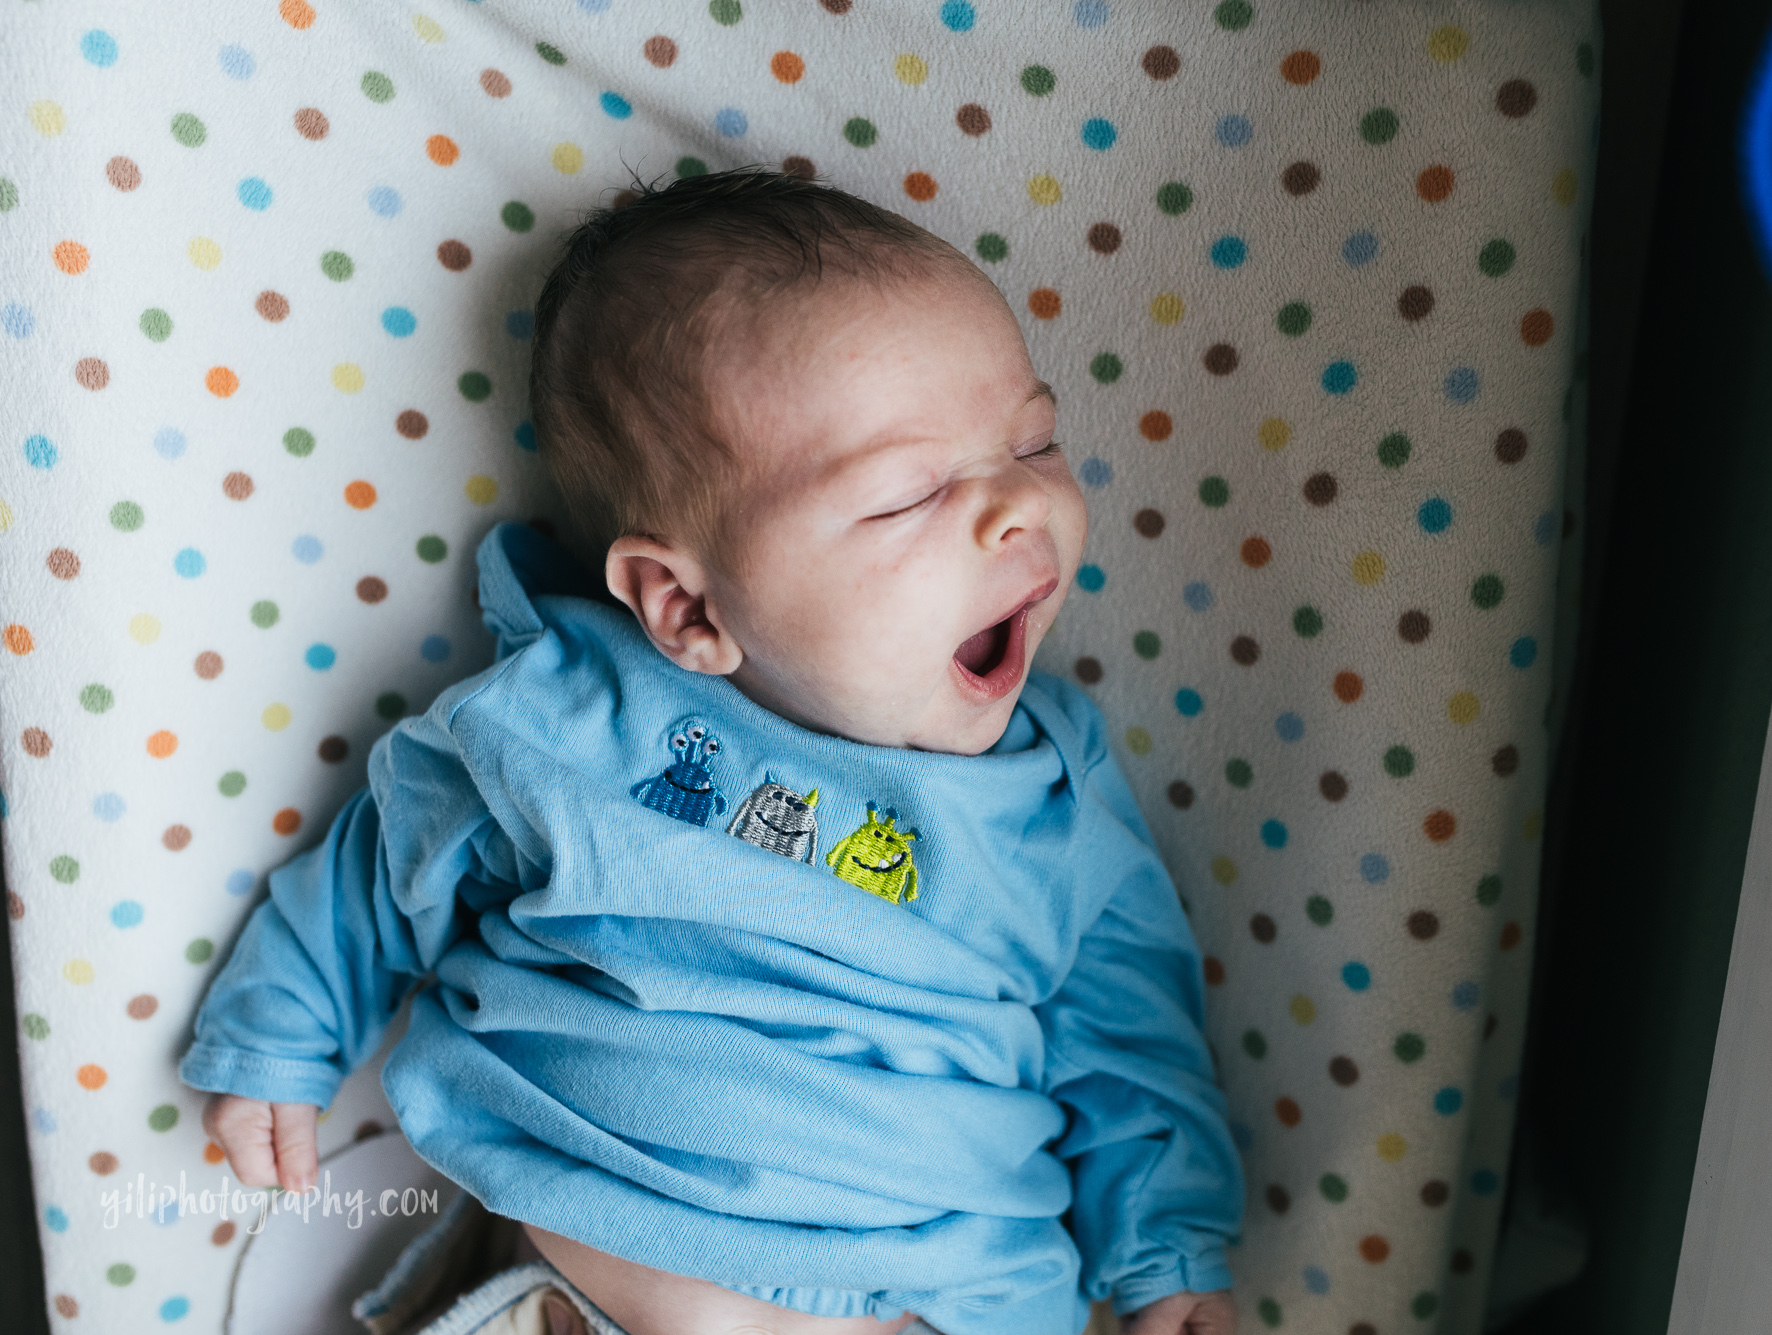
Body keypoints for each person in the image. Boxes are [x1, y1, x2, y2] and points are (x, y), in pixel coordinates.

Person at [181, 167, 1243, 1335]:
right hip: (588, 1283)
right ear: (687, 608)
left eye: (1032, 443)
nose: (1016, 509)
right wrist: (282, 1033)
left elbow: (1129, 1034)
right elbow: (381, 873)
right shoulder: (570, 722)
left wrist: (1165, 1245)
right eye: (904, 497)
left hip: (933, 1295)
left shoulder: (1051, 788)